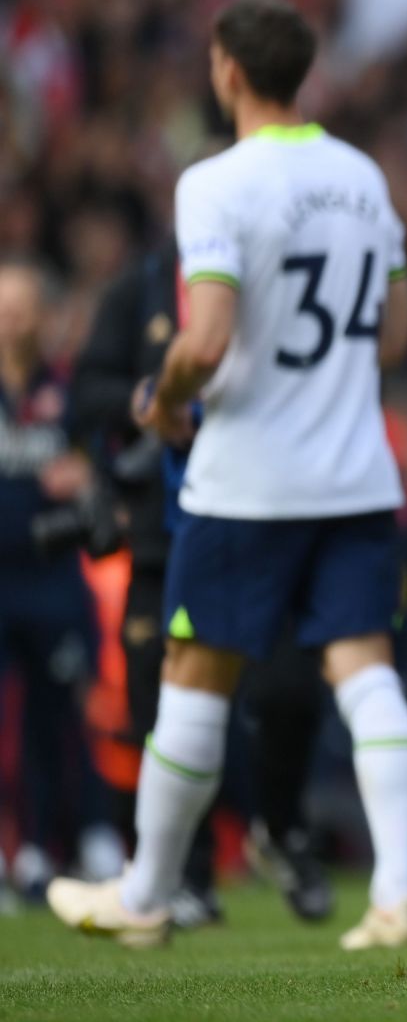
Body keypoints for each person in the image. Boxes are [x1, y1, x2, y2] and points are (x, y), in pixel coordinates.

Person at [48, 0, 407, 951]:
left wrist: (163, 397)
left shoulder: (215, 184)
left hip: (247, 481)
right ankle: (397, 896)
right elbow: (401, 330)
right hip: (355, 475)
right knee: (365, 671)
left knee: (193, 676)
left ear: (226, 69)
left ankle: (145, 893)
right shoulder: (364, 178)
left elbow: (205, 337)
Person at [71, 240, 336, 929]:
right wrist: (144, 398)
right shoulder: (142, 285)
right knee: (162, 697)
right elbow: (86, 390)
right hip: (165, 532)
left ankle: (280, 828)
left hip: (261, 515)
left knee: (287, 691)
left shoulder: (272, 280)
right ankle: (181, 877)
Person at [0, 262, 121, 904]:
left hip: (53, 576)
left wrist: (88, 476)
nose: (10, 319)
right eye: (3, 307)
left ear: (43, 317)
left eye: (20, 307)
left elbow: (107, 470)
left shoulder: (68, 392)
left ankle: (68, 845)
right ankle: (12, 852)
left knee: (62, 716)